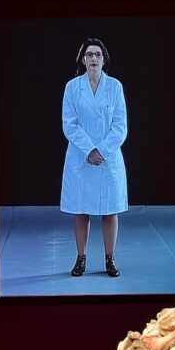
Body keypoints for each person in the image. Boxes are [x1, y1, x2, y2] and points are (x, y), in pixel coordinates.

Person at [60, 38, 128, 277]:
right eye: (89, 54)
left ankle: (110, 258)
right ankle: (81, 258)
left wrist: (102, 150)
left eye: (98, 54)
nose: (93, 58)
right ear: (83, 59)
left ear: (104, 59)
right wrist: (89, 150)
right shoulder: (72, 88)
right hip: (81, 157)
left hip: (108, 158)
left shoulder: (115, 87)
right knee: (81, 210)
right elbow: (70, 124)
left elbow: (120, 126)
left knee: (110, 210)